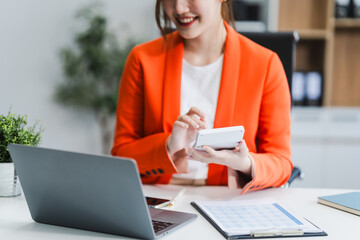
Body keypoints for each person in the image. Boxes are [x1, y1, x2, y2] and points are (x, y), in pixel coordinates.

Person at [111, 0, 292, 194]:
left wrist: (246, 163)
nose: (179, 8)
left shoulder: (265, 65)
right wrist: (169, 145)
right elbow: (122, 155)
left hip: (226, 199)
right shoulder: (142, 60)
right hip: (158, 196)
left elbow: (281, 163)